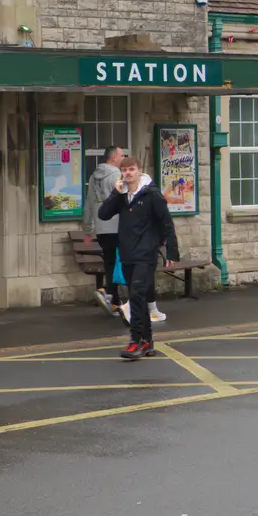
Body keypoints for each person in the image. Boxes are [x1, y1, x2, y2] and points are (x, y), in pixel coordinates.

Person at [96, 156, 180, 360]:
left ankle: (135, 341)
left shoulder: (152, 195)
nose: (127, 174)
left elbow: (167, 223)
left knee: (136, 296)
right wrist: (115, 193)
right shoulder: (122, 196)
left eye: (131, 170)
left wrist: (171, 252)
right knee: (138, 297)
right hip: (127, 254)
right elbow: (103, 214)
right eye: (124, 170)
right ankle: (148, 342)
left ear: (139, 171)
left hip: (146, 254)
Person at [84, 146, 125, 316]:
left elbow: (88, 204)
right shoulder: (117, 175)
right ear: (114, 157)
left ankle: (114, 301)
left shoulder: (93, 177)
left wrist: (88, 229)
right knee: (122, 263)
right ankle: (109, 293)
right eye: (122, 155)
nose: (123, 158)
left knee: (110, 263)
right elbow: (124, 200)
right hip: (116, 227)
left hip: (101, 229)